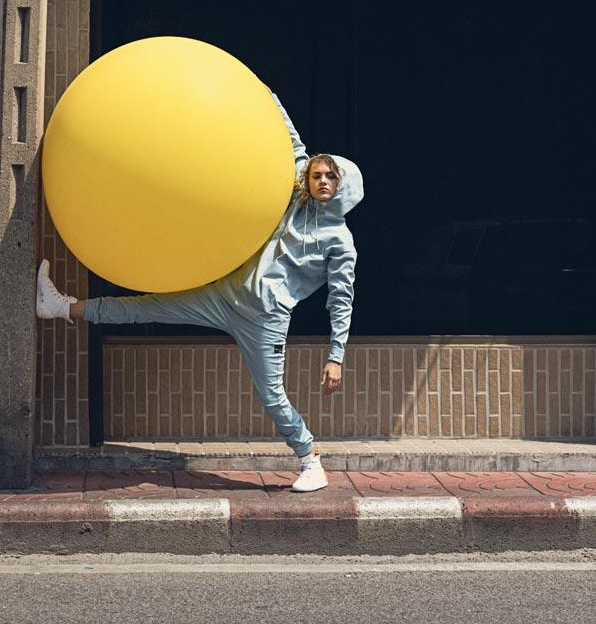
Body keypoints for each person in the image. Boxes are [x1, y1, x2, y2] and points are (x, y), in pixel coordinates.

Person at [36, 95, 362, 494]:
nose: (323, 181)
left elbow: (340, 300)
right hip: (223, 293)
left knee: (271, 395)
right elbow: (291, 142)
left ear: (343, 184)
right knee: (147, 307)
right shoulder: (294, 195)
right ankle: (61, 307)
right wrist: (262, 92)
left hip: (264, 317)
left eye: (331, 177)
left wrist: (335, 357)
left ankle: (310, 461)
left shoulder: (340, 241)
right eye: (317, 176)